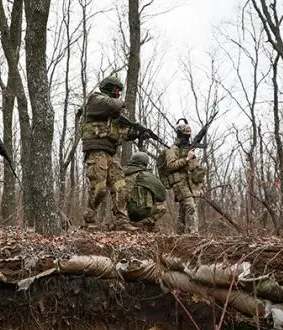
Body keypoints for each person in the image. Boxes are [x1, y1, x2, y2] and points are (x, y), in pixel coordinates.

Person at [80, 75, 151, 231]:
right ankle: (89, 220)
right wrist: (121, 104)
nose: (118, 94)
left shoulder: (112, 114)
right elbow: (112, 104)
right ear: (110, 88)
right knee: (99, 189)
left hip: (111, 153)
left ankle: (122, 221)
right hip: (96, 150)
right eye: (117, 91)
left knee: (120, 187)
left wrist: (135, 134)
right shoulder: (95, 99)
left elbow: (119, 134)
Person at [161, 123, 206, 234]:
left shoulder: (189, 150)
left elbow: (196, 169)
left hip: (190, 183)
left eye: (188, 136)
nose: (186, 138)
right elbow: (170, 166)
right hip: (179, 182)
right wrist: (186, 159)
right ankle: (194, 234)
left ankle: (178, 236)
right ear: (180, 135)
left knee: (183, 210)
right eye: (185, 135)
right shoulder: (173, 149)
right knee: (190, 206)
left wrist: (201, 187)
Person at [124, 151, 166, 231]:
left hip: (124, 212)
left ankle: (126, 222)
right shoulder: (147, 176)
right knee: (162, 207)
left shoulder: (122, 173)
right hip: (141, 212)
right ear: (145, 163)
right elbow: (162, 195)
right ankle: (144, 222)